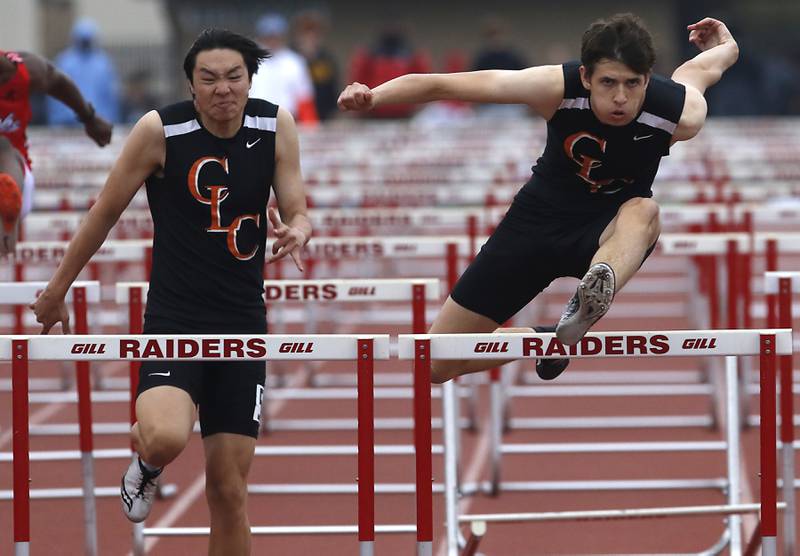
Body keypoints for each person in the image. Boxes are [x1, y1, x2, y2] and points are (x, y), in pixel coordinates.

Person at [30, 28, 311, 554]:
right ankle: (147, 462)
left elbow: (296, 205)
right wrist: (56, 289)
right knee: (165, 436)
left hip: (243, 321)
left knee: (228, 490)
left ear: (251, 81)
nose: (223, 89)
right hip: (175, 318)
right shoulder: (160, 130)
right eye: (209, 79)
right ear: (191, 84)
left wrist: (298, 227)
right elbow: (103, 214)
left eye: (234, 78)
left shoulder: (276, 125)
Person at [338, 14, 738, 382]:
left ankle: (594, 291)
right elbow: (446, 83)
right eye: (608, 83)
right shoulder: (553, 87)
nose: (620, 97)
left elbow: (703, 69)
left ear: (648, 81)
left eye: (632, 84)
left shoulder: (679, 113)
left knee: (644, 210)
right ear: (585, 77)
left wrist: (724, 43)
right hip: (535, 224)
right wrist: (373, 96)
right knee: (434, 363)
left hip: (607, 233)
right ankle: (549, 335)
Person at [0, 49, 112, 253]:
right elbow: (56, 80)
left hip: (16, 178)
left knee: (3, 146)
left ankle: (6, 217)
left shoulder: (25, 70)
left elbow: (56, 81)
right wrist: (90, 119)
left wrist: (90, 118)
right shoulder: (25, 70)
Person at [46, 18, 121, 125]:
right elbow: (55, 94)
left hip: (98, 120)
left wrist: (111, 119)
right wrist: (56, 120)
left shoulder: (103, 63)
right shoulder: (65, 61)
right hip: (68, 123)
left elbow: (111, 96)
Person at [250, 13, 319, 125]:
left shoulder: (295, 62)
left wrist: (310, 128)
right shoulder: (249, 59)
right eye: (268, 37)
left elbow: (304, 98)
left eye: (276, 36)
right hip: (254, 121)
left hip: (287, 122)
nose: (272, 41)